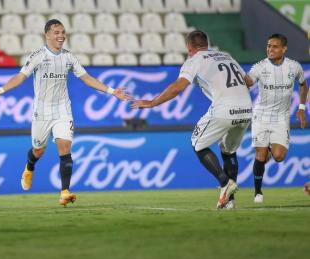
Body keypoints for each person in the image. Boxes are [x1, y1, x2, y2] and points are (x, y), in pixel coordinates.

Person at [0, 19, 131, 206]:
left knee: (65, 146)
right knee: (39, 150)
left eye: (63, 32)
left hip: (63, 109)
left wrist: (111, 91)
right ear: (47, 35)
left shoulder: (69, 57)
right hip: (41, 112)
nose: (61, 36)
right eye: (57, 32)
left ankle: (65, 192)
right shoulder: (37, 56)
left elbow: (86, 77)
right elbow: (20, 77)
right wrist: (0, 90)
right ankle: (29, 168)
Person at [131, 30, 252, 209]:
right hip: (246, 108)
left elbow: (177, 87)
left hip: (224, 108)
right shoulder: (226, 56)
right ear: (206, 44)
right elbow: (249, 82)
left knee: (198, 143)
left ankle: (225, 182)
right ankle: (229, 201)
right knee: (228, 151)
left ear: (189, 47)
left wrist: (152, 103)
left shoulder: (194, 61)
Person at [244, 33, 308, 203]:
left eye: (275, 46)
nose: (270, 49)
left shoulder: (294, 67)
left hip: (282, 117)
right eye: (268, 46)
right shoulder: (260, 67)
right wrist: (238, 73)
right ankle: (258, 192)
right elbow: (249, 82)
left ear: (284, 48)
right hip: (261, 115)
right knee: (260, 154)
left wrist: (301, 108)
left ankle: (268, 151)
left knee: (279, 156)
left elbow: (303, 85)